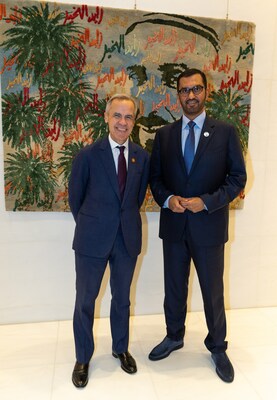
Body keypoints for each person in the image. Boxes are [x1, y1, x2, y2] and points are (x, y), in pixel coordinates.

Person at [148, 68, 247, 383]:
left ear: (206, 92)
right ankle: (174, 336)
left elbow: (237, 178)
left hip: (209, 226)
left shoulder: (226, 132)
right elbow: (156, 179)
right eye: (184, 90)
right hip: (175, 226)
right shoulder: (164, 135)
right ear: (178, 95)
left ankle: (217, 346)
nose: (190, 96)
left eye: (196, 89)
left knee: (212, 291)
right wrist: (168, 200)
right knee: (174, 288)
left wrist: (207, 201)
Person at [68, 93, 150, 388]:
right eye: (117, 115)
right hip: (92, 239)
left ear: (134, 121)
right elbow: (75, 199)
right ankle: (83, 357)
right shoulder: (87, 156)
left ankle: (120, 348)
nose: (123, 122)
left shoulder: (142, 157)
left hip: (126, 238)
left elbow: (136, 199)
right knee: (85, 301)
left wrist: (118, 220)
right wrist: (95, 224)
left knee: (122, 299)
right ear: (106, 117)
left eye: (128, 117)